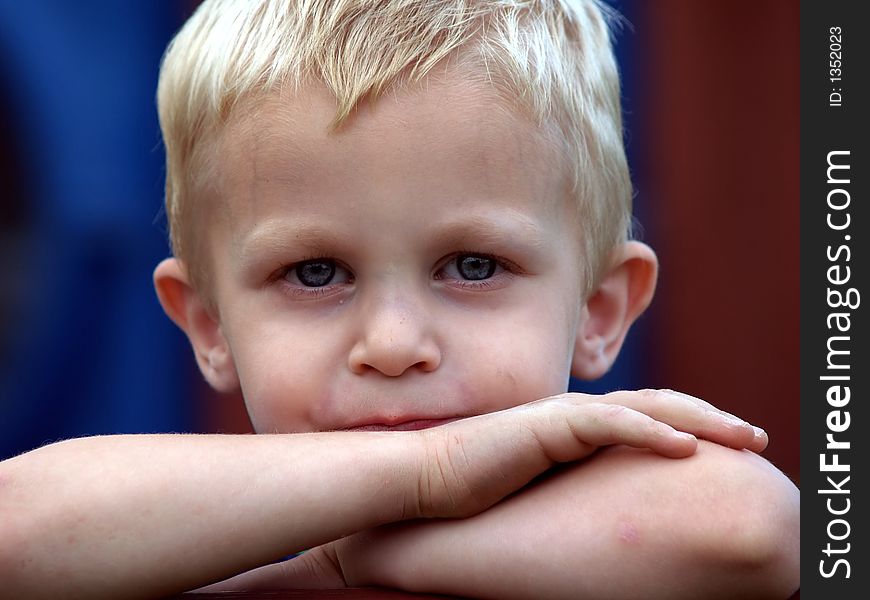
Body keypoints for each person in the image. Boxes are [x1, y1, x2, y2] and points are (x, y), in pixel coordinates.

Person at [0, 0, 799, 597]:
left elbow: (758, 529)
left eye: (474, 266)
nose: (390, 342)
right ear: (208, 326)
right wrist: (426, 469)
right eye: (316, 273)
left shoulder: (630, 529)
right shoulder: (156, 537)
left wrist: (343, 562)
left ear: (599, 311)